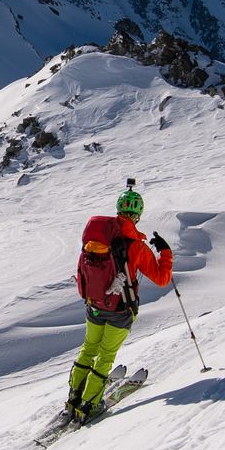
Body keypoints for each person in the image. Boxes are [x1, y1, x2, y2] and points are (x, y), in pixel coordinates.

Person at [68, 181, 173, 423]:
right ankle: (90, 405)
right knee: (105, 356)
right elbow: (162, 278)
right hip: (120, 310)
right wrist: (165, 253)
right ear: (138, 214)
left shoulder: (96, 241)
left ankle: (73, 399)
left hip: (94, 305)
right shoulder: (136, 246)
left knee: (88, 350)